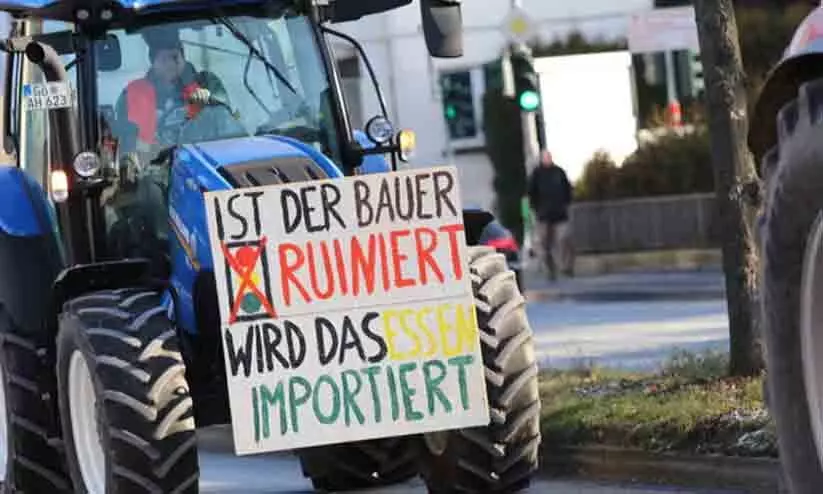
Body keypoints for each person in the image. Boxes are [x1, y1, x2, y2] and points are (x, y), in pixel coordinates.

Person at [527, 150, 575, 280]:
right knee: (544, 244)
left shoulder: (559, 172)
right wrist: (536, 209)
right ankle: (550, 270)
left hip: (560, 213)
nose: (547, 159)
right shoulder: (536, 174)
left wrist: (566, 202)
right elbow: (531, 193)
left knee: (563, 239)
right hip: (543, 215)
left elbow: (568, 189)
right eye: (545, 157)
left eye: (549, 157)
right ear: (541, 159)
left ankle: (566, 268)